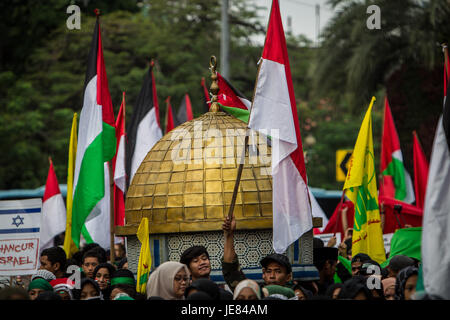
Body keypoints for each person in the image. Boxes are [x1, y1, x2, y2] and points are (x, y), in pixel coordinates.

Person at [222, 215, 292, 292]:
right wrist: (229, 235)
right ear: (263, 274)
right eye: (268, 271)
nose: (272, 276)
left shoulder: (298, 296)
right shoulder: (255, 295)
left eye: (278, 271)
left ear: (288, 277)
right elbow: (231, 269)